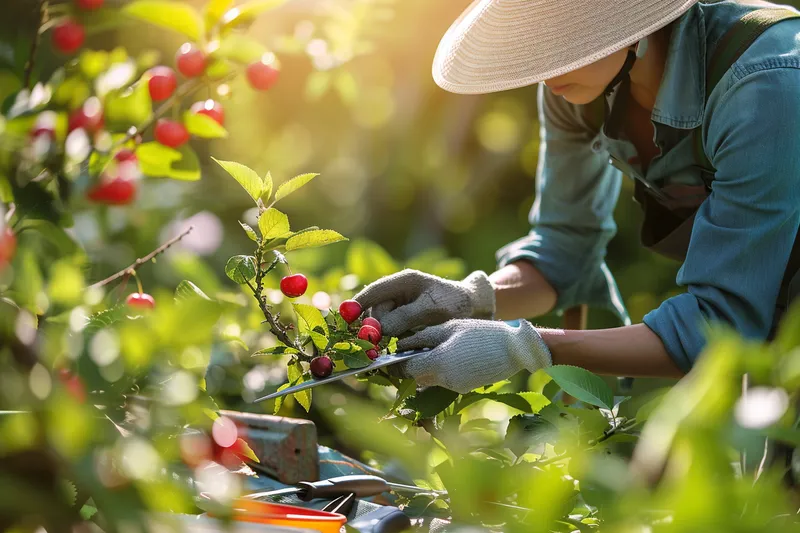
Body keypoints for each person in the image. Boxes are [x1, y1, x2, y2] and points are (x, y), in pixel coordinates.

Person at [353, 0, 800, 394]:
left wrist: (526, 346)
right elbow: (565, 250)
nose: (546, 71)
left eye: (566, 38)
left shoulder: (764, 85)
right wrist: (471, 298)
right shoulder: (576, 86)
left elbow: (719, 325)